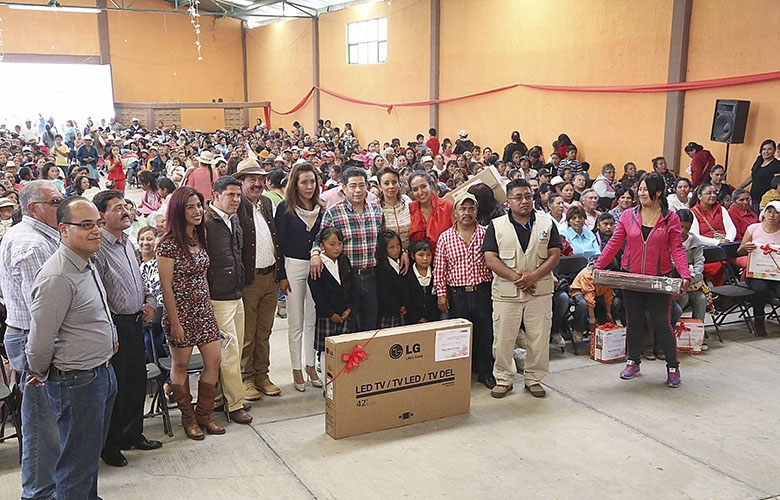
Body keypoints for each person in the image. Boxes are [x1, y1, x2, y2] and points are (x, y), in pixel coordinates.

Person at [25, 197, 118, 500]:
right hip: (77, 381)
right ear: (63, 229)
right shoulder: (57, 276)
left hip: (101, 371)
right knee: (75, 464)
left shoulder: (86, 262)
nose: (97, 231)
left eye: (99, 224)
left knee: (88, 456)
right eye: (86, 225)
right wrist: (38, 370)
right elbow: (40, 337)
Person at [594, 173, 691, 388]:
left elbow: (677, 248)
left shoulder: (670, 218)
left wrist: (685, 274)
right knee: (634, 321)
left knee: (662, 323)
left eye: (646, 189)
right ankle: (633, 362)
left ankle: (673, 367)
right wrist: (598, 266)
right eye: (640, 189)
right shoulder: (628, 215)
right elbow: (614, 244)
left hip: (659, 277)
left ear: (658, 192)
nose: (641, 193)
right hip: (632, 277)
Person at [0, 181, 61, 500]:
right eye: (55, 201)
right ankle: (38, 492)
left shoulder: (42, 236)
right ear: (34, 208)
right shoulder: (31, 244)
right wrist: (42, 357)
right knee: (41, 425)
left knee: (49, 421)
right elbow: (43, 311)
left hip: (36, 337)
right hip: (33, 339)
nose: (61, 206)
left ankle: (50, 486)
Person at [92, 190, 160, 467]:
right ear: (101, 216)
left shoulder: (127, 243)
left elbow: (140, 280)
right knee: (114, 388)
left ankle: (133, 433)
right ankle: (110, 445)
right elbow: (97, 293)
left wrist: (150, 301)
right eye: (117, 208)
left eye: (125, 207)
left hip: (135, 322)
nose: (125, 211)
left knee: (135, 382)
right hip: (115, 326)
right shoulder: (99, 248)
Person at [483, 179, 562, 399]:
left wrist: (533, 276)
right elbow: (490, 258)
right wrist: (517, 278)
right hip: (506, 292)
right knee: (503, 339)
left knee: (538, 337)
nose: (524, 201)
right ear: (508, 201)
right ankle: (503, 378)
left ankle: (534, 379)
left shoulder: (546, 224)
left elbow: (555, 254)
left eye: (528, 196)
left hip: (540, 291)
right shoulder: (496, 225)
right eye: (518, 197)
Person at [158, 187, 226, 440]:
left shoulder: (199, 237)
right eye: (190, 207)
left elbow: (203, 275)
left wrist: (208, 305)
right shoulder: (168, 245)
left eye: (199, 205)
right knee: (181, 365)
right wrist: (175, 322)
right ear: (178, 210)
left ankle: (204, 414)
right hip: (180, 313)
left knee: (214, 361)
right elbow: (166, 287)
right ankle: (188, 419)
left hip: (204, 310)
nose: (198, 211)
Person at [311, 167, 398, 332]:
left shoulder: (376, 211)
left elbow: (384, 242)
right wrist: (315, 254)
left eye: (362, 185)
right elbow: (318, 240)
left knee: (370, 324)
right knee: (347, 326)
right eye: (352, 186)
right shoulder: (333, 213)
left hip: (372, 275)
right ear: (343, 188)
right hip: (347, 278)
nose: (358, 190)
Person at [203, 176, 253, 423]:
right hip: (218, 296)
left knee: (237, 346)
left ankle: (228, 396)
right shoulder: (206, 223)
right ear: (216, 196)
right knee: (229, 352)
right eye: (230, 195)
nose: (236, 199)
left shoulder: (233, 220)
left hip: (236, 292)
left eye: (238, 195)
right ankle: (235, 405)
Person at [434, 193, 495, 389]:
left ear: (477, 211)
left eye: (471, 209)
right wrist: (442, 294)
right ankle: (459, 376)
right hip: (457, 294)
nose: (467, 213)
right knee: (458, 337)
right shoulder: (445, 237)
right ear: (455, 212)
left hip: (482, 292)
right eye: (463, 208)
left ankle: (485, 373)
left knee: (485, 334)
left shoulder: (486, 233)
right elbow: (440, 269)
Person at [234, 158, 283, 399]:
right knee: (248, 333)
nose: (257, 184)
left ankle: (262, 374)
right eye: (251, 179)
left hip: (270, 276)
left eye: (260, 179)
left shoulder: (265, 203)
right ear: (240, 182)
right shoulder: (235, 204)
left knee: (265, 331)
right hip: (249, 280)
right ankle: (246, 378)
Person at [275, 162, 324, 392]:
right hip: (292, 265)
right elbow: (279, 244)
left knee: (312, 319)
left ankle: (310, 365)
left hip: (316, 266)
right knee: (295, 320)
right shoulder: (285, 209)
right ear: (295, 183)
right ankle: (296, 368)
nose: (308, 186)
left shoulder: (322, 208)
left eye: (312, 181)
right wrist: (281, 275)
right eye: (304, 182)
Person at [309, 227, 355, 376]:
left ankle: (342, 381)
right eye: (332, 244)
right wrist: (330, 313)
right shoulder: (318, 265)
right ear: (322, 246)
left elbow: (351, 285)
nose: (337, 248)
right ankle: (325, 383)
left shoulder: (344, 260)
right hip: (327, 316)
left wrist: (349, 308)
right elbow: (317, 294)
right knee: (325, 350)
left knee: (344, 348)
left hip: (344, 313)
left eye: (339, 244)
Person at [737, 200, 780, 336]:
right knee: (760, 289)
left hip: (776, 274)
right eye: (769, 212)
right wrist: (746, 248)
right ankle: (759, 321)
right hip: (756, 273)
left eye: (776, 213)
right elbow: (740, 251)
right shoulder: (753, 228)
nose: (772, 215)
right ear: (764, 213)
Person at [408, 171, 454, 252]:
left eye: (423, 186)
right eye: (415, 189)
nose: (420, 192)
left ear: (431, 185)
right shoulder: (410, 209)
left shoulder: (447, 207)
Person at [402, 239, 440, 324]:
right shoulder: (407, 274)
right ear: (413, 256)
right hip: (412, 320)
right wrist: (417, 318)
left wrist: (429, 318)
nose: (425, 258)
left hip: (433, 320)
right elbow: (407, 299)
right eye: (421, 255)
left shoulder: (436, 273)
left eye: (428, 255)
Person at [738, 139, 780, 213]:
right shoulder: (759, 160)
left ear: (774, 150)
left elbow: (777, 183)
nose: (766, 152)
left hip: (766, 199)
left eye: (769, 149)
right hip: (753, 197)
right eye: (764, 149)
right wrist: (739, 188)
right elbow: (751, 177)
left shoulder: (777, 165)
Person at [375, 230, 405, 327]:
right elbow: (383, 293)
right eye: (391, 247)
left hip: (403, 311)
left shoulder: (403, 263)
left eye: (398, 246)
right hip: (387, 313)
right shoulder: (381, 268)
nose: (396, 250)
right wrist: (397, 307)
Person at [377, 167, 412, 248]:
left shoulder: (407, 201)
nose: (391, 186)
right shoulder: (376, 207)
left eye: (394, 182)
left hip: (410, 251)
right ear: (380, 186)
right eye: (386, 183)